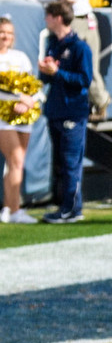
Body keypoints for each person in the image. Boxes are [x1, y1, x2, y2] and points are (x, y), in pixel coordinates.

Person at [35, 0, 92, 225]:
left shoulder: (80, 47)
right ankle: (63, 206)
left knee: (70, 163)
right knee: (60, 162)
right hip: (56, 110)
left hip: (73, 112)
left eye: (48, 15)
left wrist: (56, 73)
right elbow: (47, 79)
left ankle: (71, 209)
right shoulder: (53, 45)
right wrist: (46, 71)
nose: (45, 20)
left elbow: (85, 80)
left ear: (58, 17)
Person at [0, 14, 37, 222]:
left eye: (9, 33)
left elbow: (31, 85)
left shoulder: (20, 57)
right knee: (16, 159)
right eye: (2, 33)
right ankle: (15, 211)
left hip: (23, 116)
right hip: (2, 116)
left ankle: (8, 207)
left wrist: (27, 101)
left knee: (16, 163)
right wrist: (17, 97)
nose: (6, 37)